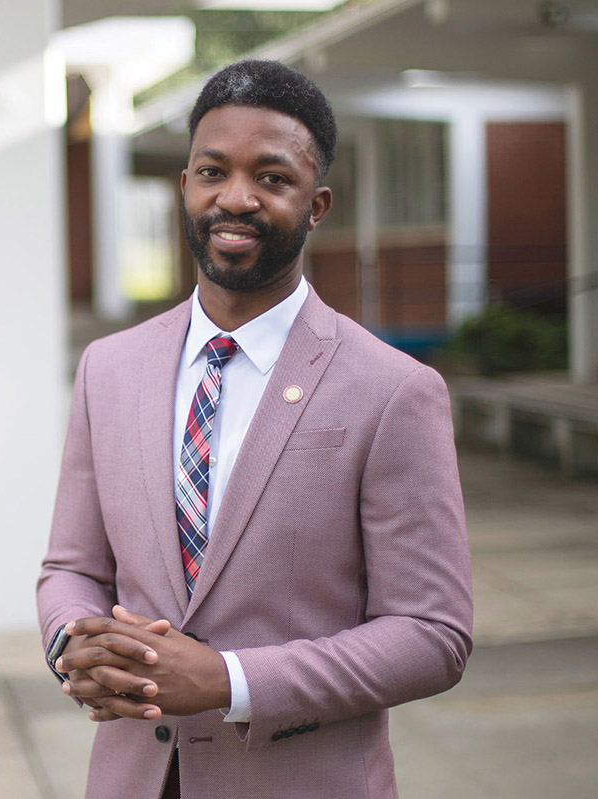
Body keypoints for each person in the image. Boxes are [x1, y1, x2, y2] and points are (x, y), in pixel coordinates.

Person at [36, 59, 472, 799]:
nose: (234, 198)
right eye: (212, 171)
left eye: (272, 178)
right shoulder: (108, 368)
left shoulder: (394, 390)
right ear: (185, 186)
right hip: (134, 777)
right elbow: (71, 566)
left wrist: (229, 679)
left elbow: (433, 634)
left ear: (316, 204)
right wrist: (77, 643)